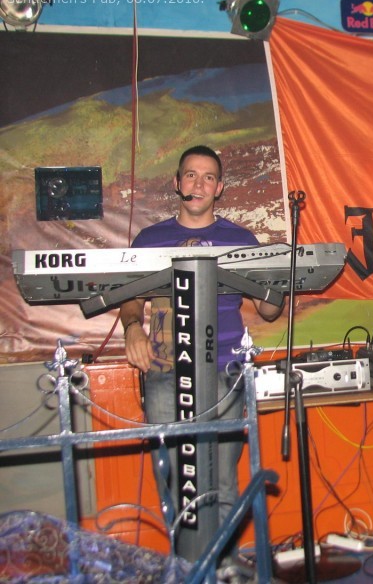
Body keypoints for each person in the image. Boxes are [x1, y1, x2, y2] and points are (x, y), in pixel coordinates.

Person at [119, 145, 284, 572]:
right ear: (178, 183)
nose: (199, 183)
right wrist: (133, 328)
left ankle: (223, 565)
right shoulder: (150, 238)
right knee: (177, 477)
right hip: (166, 371)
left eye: (208, 177)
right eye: (191, 175)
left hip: (226, 367)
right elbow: (129, 298)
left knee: (223, 476)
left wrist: (282, 279)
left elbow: (268, 310)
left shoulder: (241, 239)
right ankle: (189, 568)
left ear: (219, 187)